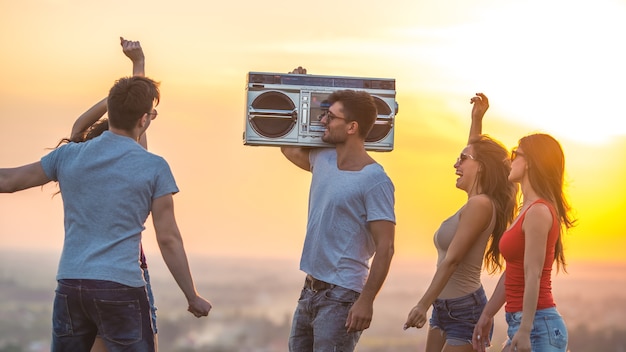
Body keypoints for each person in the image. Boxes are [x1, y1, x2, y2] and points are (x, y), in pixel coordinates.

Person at [0, 50, 212, 351]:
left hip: (71, 285)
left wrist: (136, 73)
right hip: (120, 287)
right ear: (144, 120)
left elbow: (7, 182)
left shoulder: (69, 155)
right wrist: (191, 295)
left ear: (108, 111)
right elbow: (168, 238)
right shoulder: (153, 167)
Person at [281, 67, 396, 352]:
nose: (323, 121)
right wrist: (295, 89)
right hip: (310, 290)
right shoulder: (322, 158)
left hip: (342, 295)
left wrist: (366, 300)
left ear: (352, 127)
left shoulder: (375, 180)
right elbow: (285, 146)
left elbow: (386, 247)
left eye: (330, 117)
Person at [56, 37, 159, 352]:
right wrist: (135, 72)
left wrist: (120, 98)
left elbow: (77, 128)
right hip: (124, 279)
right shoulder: (134, 163)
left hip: (79, 281)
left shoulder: (79, 162)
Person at [403, 93, 517, 351]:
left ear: (481, 168)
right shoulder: (475, 201)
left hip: (464, 311)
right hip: (443, 307)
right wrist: (476, 119)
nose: (456, 163)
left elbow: (452, 261)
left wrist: (422, 304)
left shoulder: (481, 205)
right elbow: (476, 153)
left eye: (462, 159)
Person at [471, 108, 574, 352]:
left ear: (530, 163)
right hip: (525, 323)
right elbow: (513, 273)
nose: (510, 159)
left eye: (515, 153)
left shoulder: (538, 212)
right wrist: (487, 315)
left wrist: (526, 330)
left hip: (538, 325)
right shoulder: (526, 210)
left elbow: (533, 274)